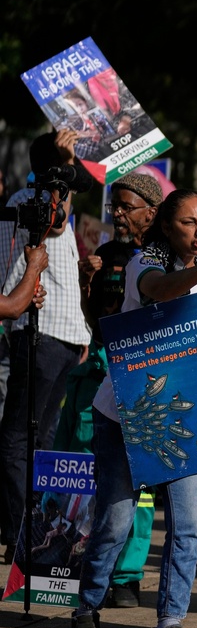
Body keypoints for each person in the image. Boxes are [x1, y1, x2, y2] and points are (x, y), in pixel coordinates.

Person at [70, 188, 197, 628]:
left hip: (182, 416)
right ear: (168, 227)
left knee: (187, 525)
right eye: (189, 223)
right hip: (127, 412)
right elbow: (158, 292)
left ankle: (169, 626)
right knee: (115, 521)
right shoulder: (143, 263)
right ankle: (86, 611)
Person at [57, 171, 166, 609]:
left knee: (141, 488)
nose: (117, 214)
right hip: (101, 378)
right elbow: (94, 321)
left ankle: (128, 576)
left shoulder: (162, 260)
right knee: (93, 478)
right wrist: (87, 284)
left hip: (144, 384)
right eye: (113, 206)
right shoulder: (104, 255)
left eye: (125, 205)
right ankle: (82, 566)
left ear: (150, 210)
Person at [0, 129, 88, 566]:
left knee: (39, 439)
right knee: (20, 440)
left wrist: (84, 334)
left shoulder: (53, 200)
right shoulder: (28, 200)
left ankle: (33, 531)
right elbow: (55, 219)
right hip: (38, 333)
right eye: (65, 165)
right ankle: (24, 533)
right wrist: (66, 163)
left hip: (62, 337)